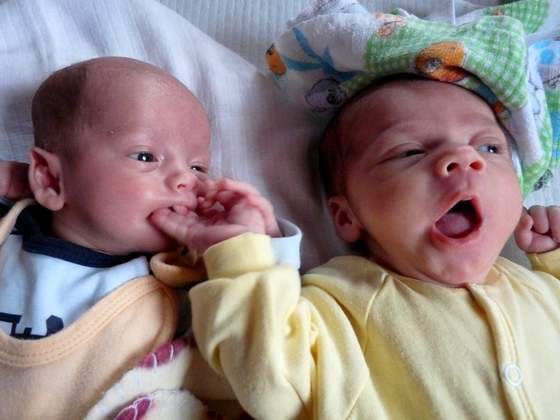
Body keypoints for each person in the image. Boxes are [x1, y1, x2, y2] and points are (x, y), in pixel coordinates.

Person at [141, 2, 560, 418]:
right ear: (346, 217)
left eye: (490, 147)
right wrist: (241, 258)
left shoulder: (541, 291)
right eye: (410, 151)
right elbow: (270, 382)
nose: (465, 159)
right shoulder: (343, 304)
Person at [0, 56, 293, 420]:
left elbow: (267, 340)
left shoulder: (192, 271)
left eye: (198, 167)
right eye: (146, 156)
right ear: (50, 177)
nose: (186, 180)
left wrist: (251, 243)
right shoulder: (10, 229)